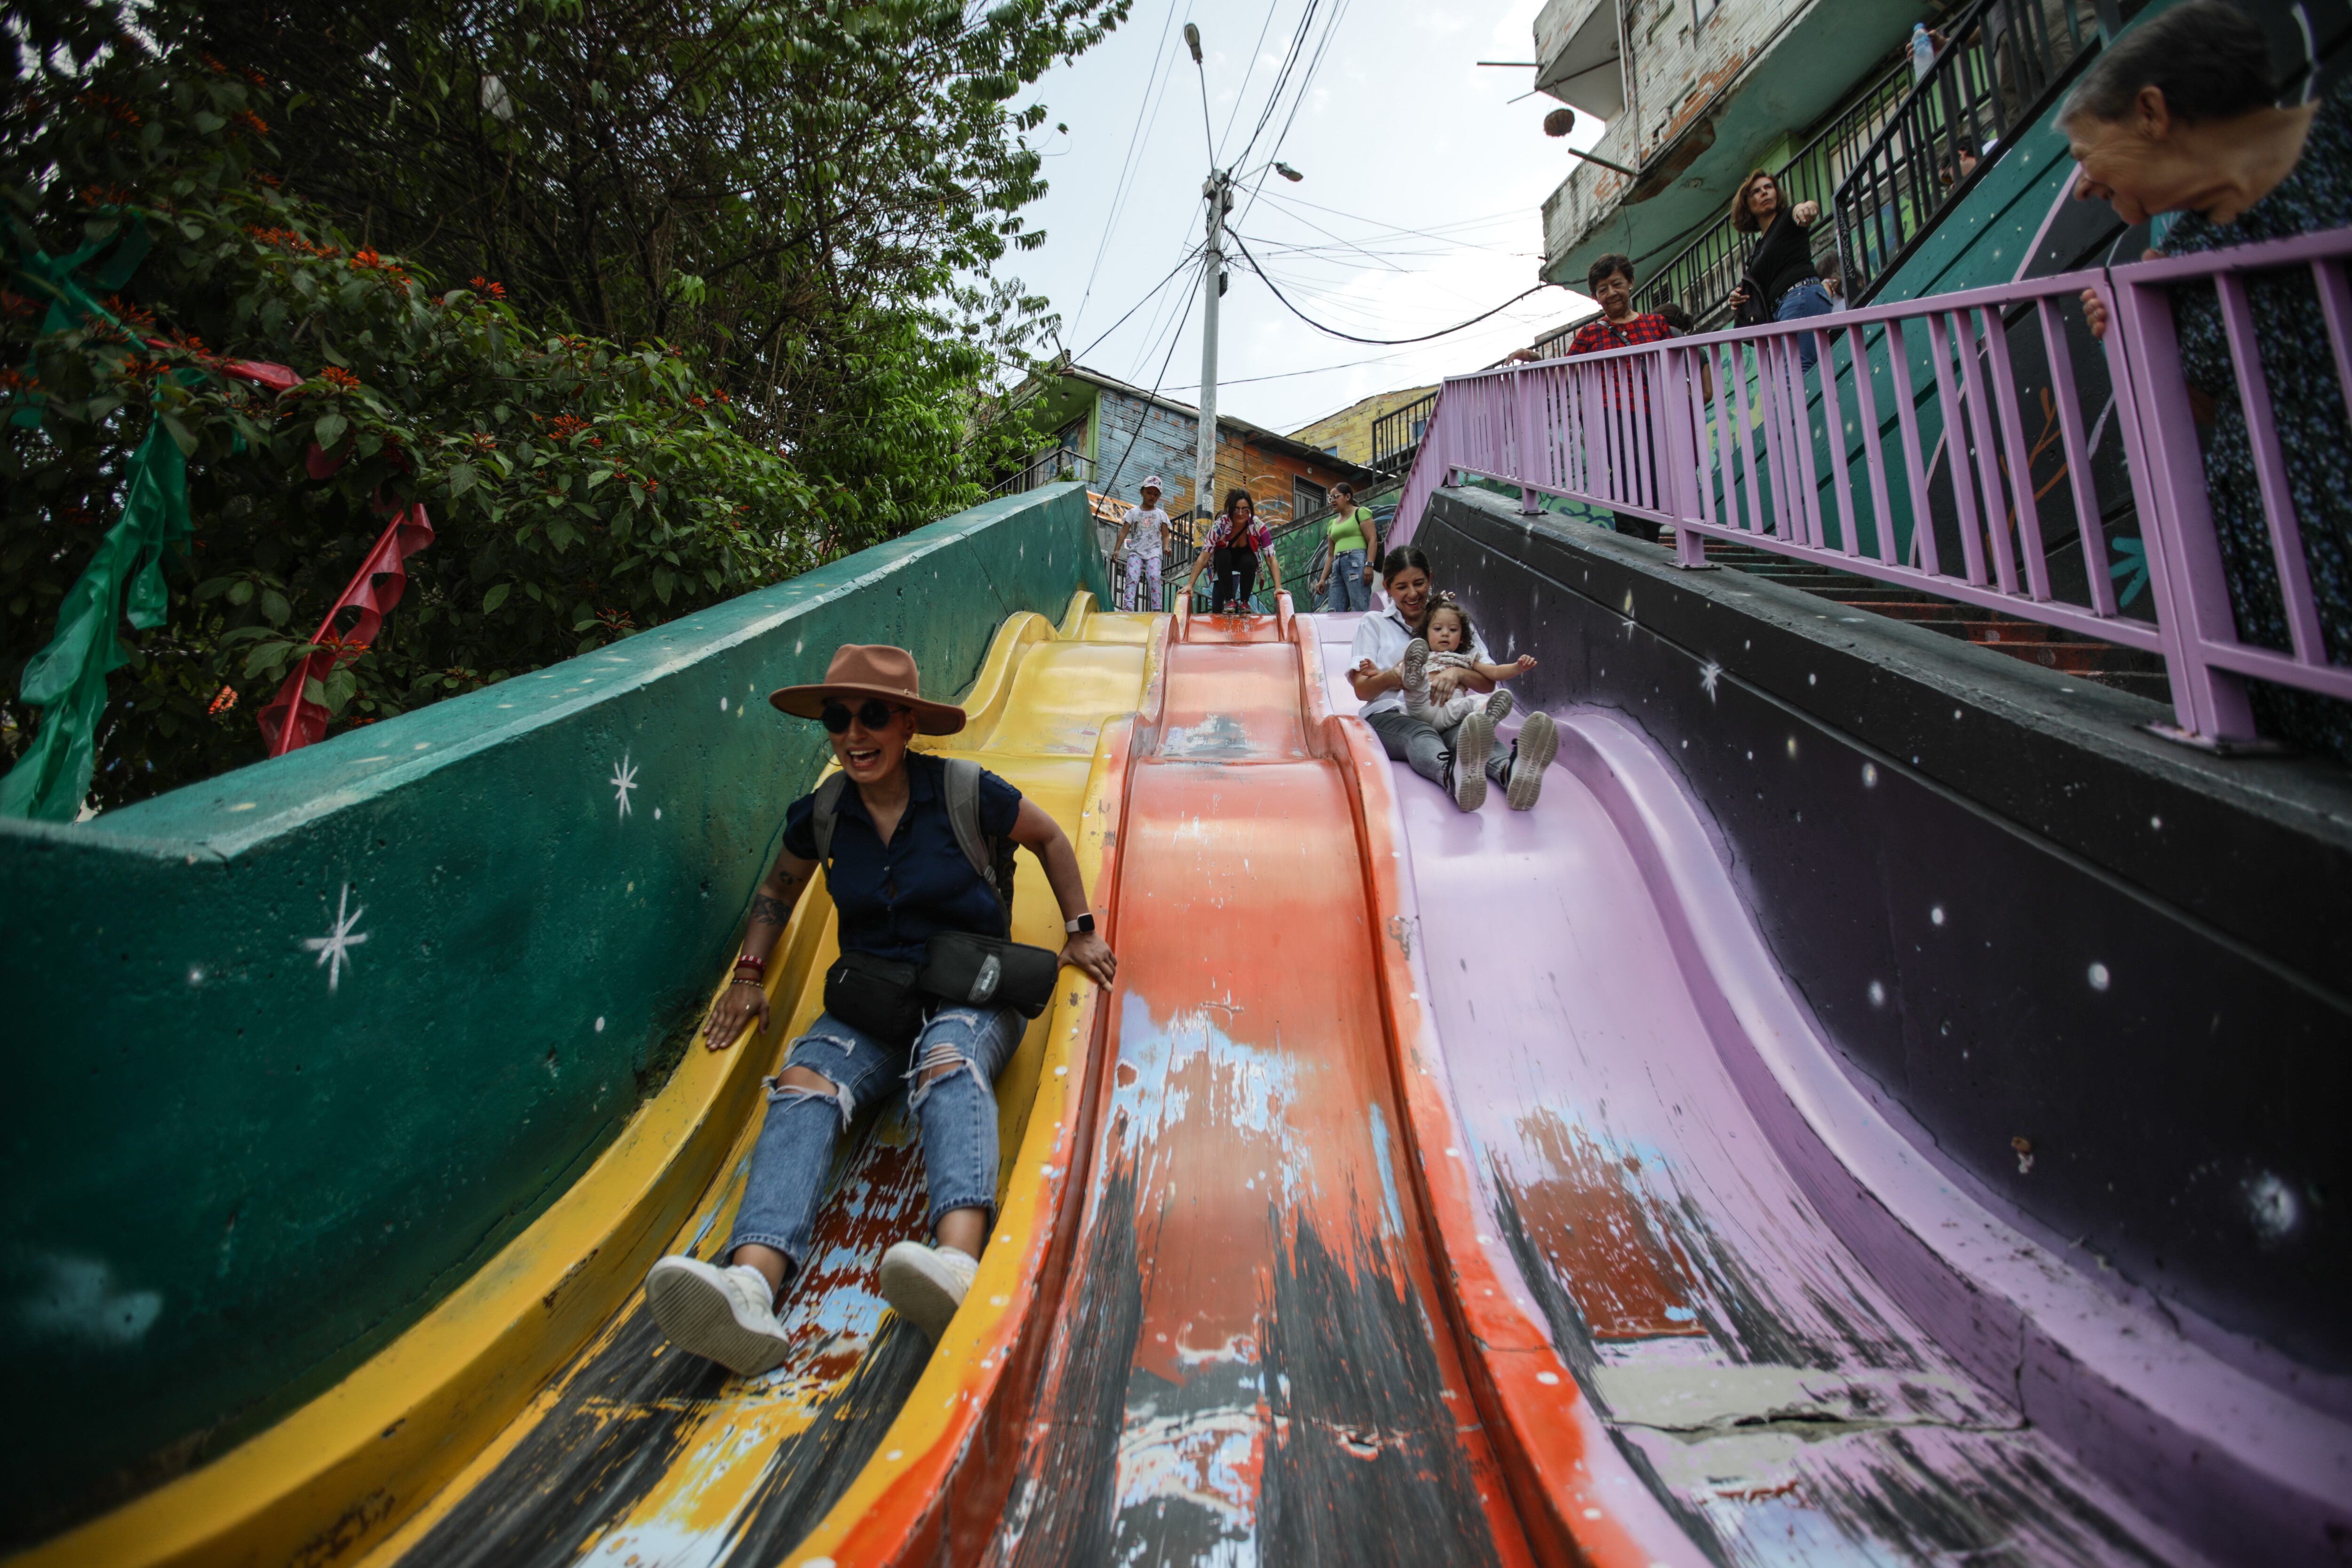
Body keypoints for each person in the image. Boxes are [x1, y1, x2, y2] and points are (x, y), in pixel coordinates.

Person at [642, 644, 1119, 1374]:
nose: (853, 735)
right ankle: (751, 1285)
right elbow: (779, 889)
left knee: (947, 1060)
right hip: (874, 997)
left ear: (906, 725)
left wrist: (1081, 930)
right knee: (803, 1080)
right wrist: (749, 972)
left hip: (971, 992)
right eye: (838, 718)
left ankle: (957, 1262)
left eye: (872, 717)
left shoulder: (964, 790)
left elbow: (1049, 835)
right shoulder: (825, 812)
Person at [2069, 0, 2351, 764]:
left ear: (2155, 112)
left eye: (2090, 152)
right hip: (2284, 586)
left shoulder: (2338, 153)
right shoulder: (2185, 248)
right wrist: (2139, 337)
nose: (2083, 185)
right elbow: (2202, 409)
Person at [1349, 548, 1559, 812]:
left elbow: (1487, 683)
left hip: (1446, 711)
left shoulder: (1452, 621)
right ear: (1388, 588)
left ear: (1431, 579)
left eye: (1419, 583)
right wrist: (1393, 677)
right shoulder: (1373, 623)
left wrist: (1457, 673)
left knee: (1470, 732)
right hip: (1392, 714)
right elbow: (1361, 689)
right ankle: (1452, 774)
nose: (1412, 594)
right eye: (1402, 587)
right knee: (1420, 733)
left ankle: (1513, 771)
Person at [1567, 254, 1677, 544]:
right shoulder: (1591, 333)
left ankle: (1649, 537)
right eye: (1603, 289)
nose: (1611, 293)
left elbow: (1676, 362)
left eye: (1616, 284)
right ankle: (1631, 533)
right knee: (1627, 466)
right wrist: (1534, 360)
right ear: (1596, 297)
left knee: (1653, 471)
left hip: (1653, 411)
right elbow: (1561, 372)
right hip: (1611, 412)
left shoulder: (1656, 325)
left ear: (1630, 283)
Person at [1726, 171, 1836, 370]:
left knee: (1797, 373)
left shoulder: (1788, 218)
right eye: (1757, 192)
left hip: (1799, 296)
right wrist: (1738, 295)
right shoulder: (1758, 247)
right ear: (1747, 205)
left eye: (1769, 188)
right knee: (1791, 378)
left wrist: (1809, 209)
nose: (1765, 193)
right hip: (1781, 310)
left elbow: (1806, 208)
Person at [1399, 595, 1535, 730]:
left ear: (1462, 638)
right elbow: (1394, 673)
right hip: (1421, 705)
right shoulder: (1422, 656)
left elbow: (1494, 673)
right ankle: (1415, 676)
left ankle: (1485, 717)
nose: (1445, 633)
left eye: (1453, 630)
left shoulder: (1465, 660)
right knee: (1415, 674)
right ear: (1426, 634)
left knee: (1475, 702)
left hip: (1450, 710)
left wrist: (1518, 667)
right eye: (1438, 629)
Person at [1184, 488, 1282, 613]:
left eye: (1245, 509)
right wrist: (1190, 585)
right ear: (1230, 510)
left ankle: (1245, 603)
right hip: (1224, 563)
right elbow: (1204, 558)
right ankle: (1229, 601)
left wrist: (1278, 588)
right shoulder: (1221, 525)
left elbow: (1271, 559)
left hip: (1245, 562)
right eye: (1236, 509)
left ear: (1250, 510)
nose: (1241, 513)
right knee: (1222, 554)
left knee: (1250, 560)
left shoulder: (1257, 526)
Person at [1311, 482, 1381, 612]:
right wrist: (1323, 579)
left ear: (1348, 497)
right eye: (1330, 498)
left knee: (1359, 606)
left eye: (1336, 497)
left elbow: (1373, 540)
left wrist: (1369, 565)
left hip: (1356, 561)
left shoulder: (1361, 513)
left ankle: (1362, 632)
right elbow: (1330, 555)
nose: (1332, 501)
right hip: (1337, 565)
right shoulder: (1333, 524)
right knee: (1334, 610)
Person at [1110, 477, 1173, 613]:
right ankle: (1128, 607)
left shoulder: (1161, 515)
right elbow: (1123, 533)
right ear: (1142, 492)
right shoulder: (1133, 513)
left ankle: (1157, 609)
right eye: (1149, 493)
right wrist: (1117, 550)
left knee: (1154, 577)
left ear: (1159, 497)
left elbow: (1166, 535)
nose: (1152, 497)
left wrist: (1166, 547)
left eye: (1156, 495)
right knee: (1132, 576)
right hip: (1136, 551)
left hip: (1154, 552)